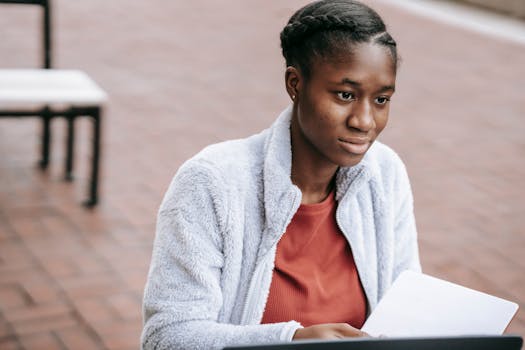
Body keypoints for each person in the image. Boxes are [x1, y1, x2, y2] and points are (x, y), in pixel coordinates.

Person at [141, 0, 421, 349]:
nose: (364, 121)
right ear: (295, 83)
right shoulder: (212, 182)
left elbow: (408, 306)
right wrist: (292, 340)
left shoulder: (384, 174)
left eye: (381, 100)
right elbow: (168, 337)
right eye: (345, 95)